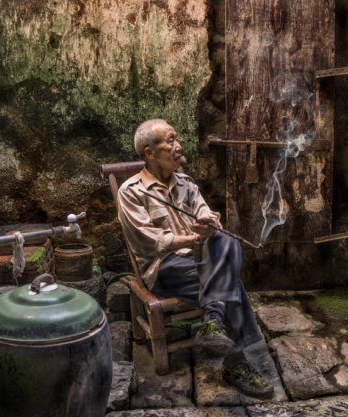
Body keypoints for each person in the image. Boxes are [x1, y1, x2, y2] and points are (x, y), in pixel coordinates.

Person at [117, 119, 273, 398]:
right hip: (164, 267)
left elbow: (207, 214)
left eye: (177, 140)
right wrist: (194, 238)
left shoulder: (186, 183)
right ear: (149, 152)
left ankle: (212, 320)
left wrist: (209, 223)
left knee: (225, 239)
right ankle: (233, 357)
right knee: (231, 283)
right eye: (170, 141)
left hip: (199, 259)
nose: (178, 147)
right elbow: (151, 242)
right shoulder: (131, 191)